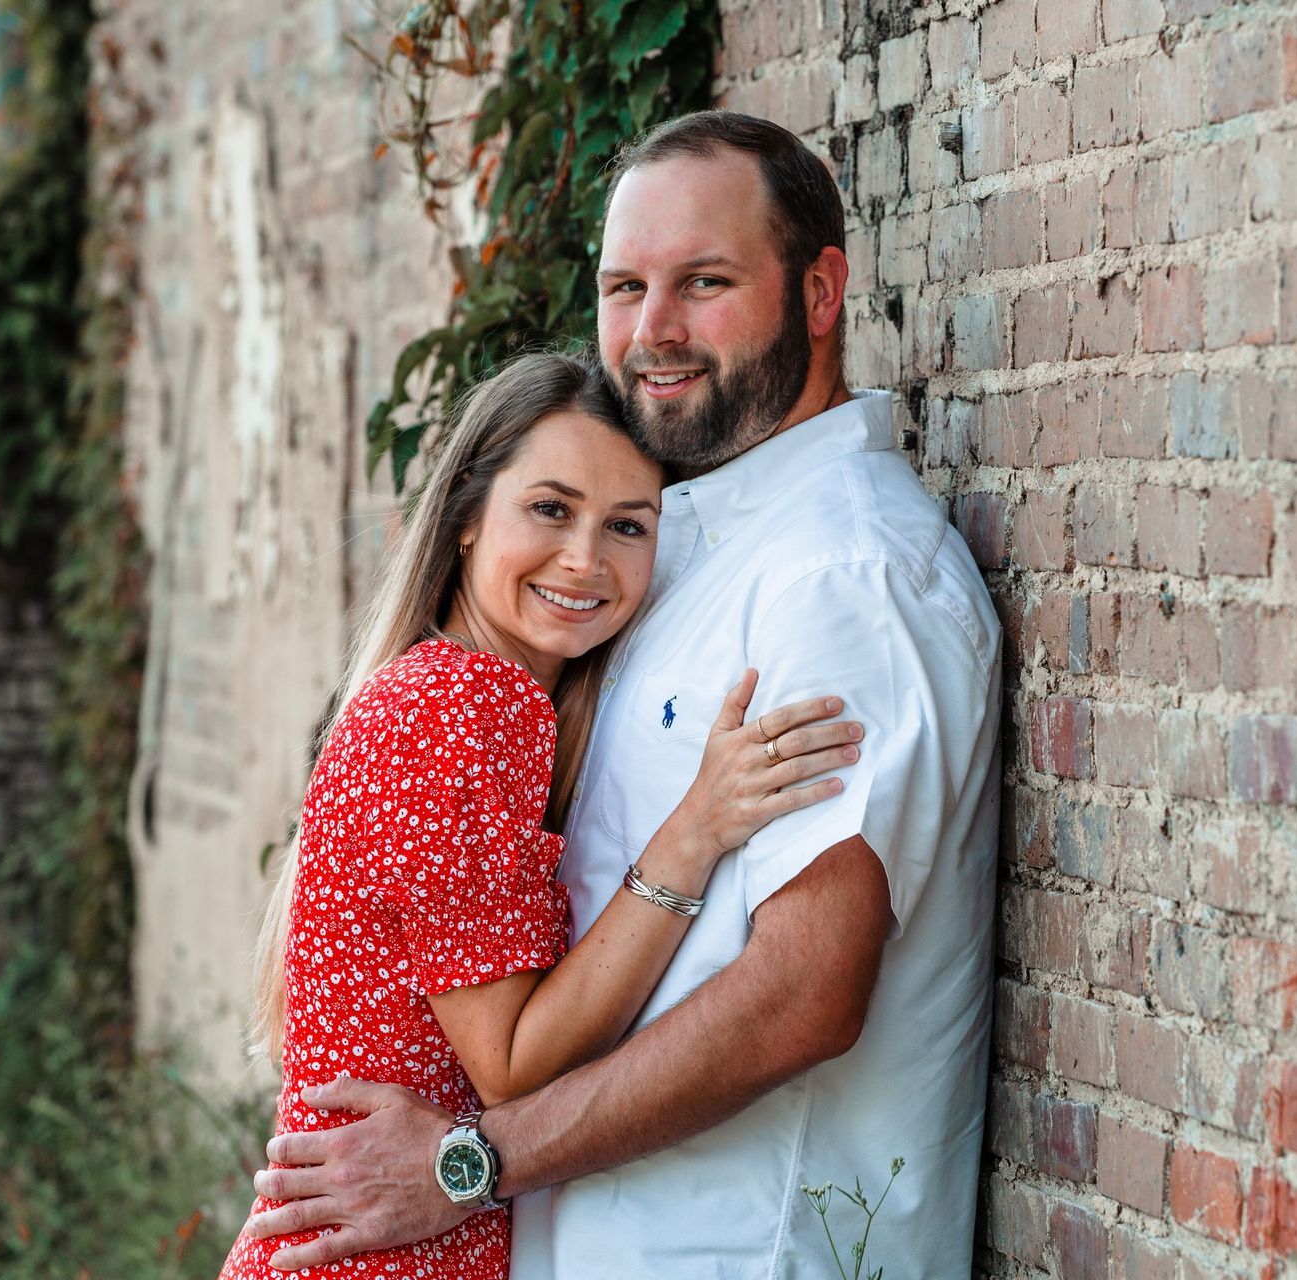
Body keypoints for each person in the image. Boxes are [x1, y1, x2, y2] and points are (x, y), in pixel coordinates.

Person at [242, 111, 1002, 1277]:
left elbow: (801, 995)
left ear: (820, 289)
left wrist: (469, 1160)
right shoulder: (683, 556)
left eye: (704, 282)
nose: (652, 332)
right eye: (625, 286)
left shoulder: (842, 580)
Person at [221, 349, 860, 1280]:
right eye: (550, 509)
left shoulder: (456, 699)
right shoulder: (463, 709)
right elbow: (513, 1068)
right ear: (469, 518)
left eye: (628, 526)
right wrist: (696, 831)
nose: (585, 559)